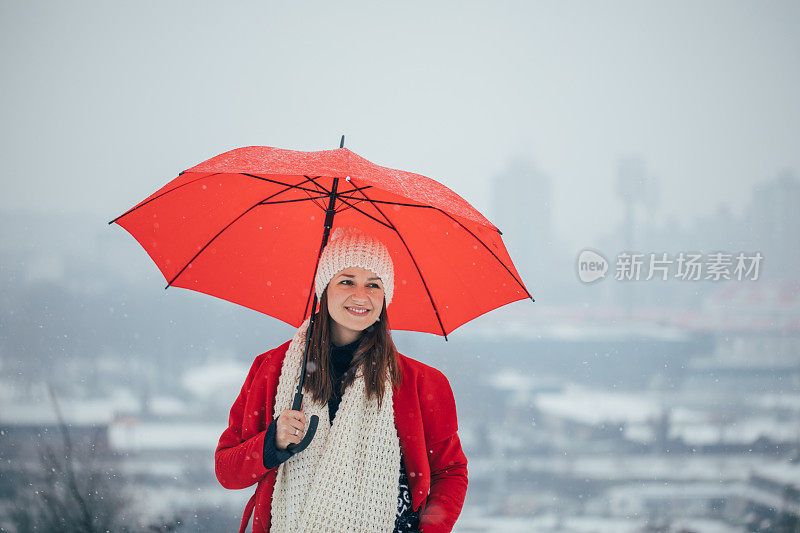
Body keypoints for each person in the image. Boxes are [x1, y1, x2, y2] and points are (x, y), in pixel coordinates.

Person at [215, 227, 468, 533]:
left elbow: (450, 471)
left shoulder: (422, 382)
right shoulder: (272, 369)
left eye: (373, 285)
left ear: (385, 295)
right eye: (346, 281)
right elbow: (227, 471)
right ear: (324, 289)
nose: (360, 296)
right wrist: (273, 441)